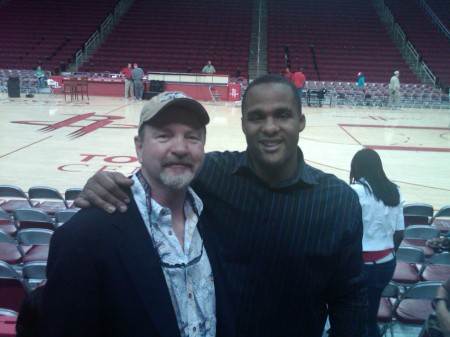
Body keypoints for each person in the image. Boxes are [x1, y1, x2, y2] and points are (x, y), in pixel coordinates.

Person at [75, 74, 367, 337]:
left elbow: (349, 296)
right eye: (256, 117)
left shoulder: (339, 201)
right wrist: (108, 182)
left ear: (300, 121)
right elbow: (162, 171)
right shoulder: (212, 174)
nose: (269, 127)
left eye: (282, 115)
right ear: (243, 124)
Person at [40, 92, 235, 337]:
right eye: (164, 135)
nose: (180, 148)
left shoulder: (213, 214)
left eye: (192, 137)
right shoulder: (83, 237)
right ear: (139, 147)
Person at [349, 148, 404, 337]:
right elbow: (399, 233)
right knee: (370, 313)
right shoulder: (395, 190)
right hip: (387, 262)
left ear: (357, 167)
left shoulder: (354, 191)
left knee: (360, 318)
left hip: (361, 265)